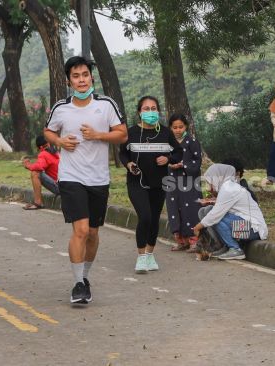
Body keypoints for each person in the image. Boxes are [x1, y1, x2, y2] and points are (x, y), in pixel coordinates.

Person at [44, 56, 127, 304]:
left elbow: (122, 134)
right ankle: (78, 284)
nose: (81, 80)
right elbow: (48, 130)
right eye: (76, 76)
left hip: (98, 178)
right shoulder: (61, 108)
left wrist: (98, 135)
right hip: (71, 177)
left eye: (84, 75)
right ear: (69, 81)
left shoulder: (106, 105)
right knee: (80, 230)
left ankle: (85, 275)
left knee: (92, 232)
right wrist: (59, 141)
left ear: (91, 77)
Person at [119, 96, 182, 274]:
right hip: (136, 182)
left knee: (154, 219)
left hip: (159, 183)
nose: (150, 112)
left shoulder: (165, 132)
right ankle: (141, 258)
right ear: (139, 112)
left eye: (153, 108)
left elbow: (178, 152)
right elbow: (122, 154)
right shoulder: (130, 133)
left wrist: (168, 159)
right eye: (146, 109)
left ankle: (150, 254)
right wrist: (128, 164)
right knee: (145, 216)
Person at [193, 164, 268, 260]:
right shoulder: (227, 187)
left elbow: (215, 215)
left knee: (215, 217)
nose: (209, 185)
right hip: (244, 226)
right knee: (204, 211)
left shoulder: (228, 189)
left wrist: (197, 227)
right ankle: (224, 246)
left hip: (253, 230)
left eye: (210, 180)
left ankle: (235, 249)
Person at [165, 113, 202, 252]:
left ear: (185, 126)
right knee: (174, 207)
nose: (178, 130)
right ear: (170, 128)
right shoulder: (167, 142)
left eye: (181, 127)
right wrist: (168, 164)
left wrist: (183, 165)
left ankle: (194, 241)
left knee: (191, 208)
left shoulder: (192, 141)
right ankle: (181, 241)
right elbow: (161, 158)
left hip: (189, 181)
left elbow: (197, 161)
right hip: (172, 180)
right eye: (175, 127)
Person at [22, 135, 60, 210]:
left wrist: (28, 165)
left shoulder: (43, 153)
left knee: (35, 173)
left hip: (59, 188)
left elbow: (39, 167)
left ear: (40, 147)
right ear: (48, 143)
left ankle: (38, 202)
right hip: (67, 186)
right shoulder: (56, 153)